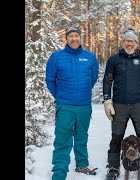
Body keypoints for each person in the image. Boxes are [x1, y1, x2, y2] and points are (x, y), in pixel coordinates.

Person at [102, 28, 140, 180]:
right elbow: (107, 81)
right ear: (123, 42)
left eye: (132, 41)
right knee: (116, 137)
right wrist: (107, 100)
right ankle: (113, 166)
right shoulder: (114, 59)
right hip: (119, 105)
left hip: (139, 104)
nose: (129, 43)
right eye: (127, 40)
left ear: (136, 43)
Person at [45, 26, 99, 180]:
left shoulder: (89, 57)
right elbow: (50, 79)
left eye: (76, 35)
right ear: (66, 39)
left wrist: (83, 92)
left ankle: (82, 164)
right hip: (65, 105)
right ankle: (60, 171)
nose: (74, 38)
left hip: (84, 105)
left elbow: (92, 78)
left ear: (80, 38)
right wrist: (60, 95)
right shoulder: (57, 57)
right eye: (71, 36)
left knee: (82, 136)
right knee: (63, 138)